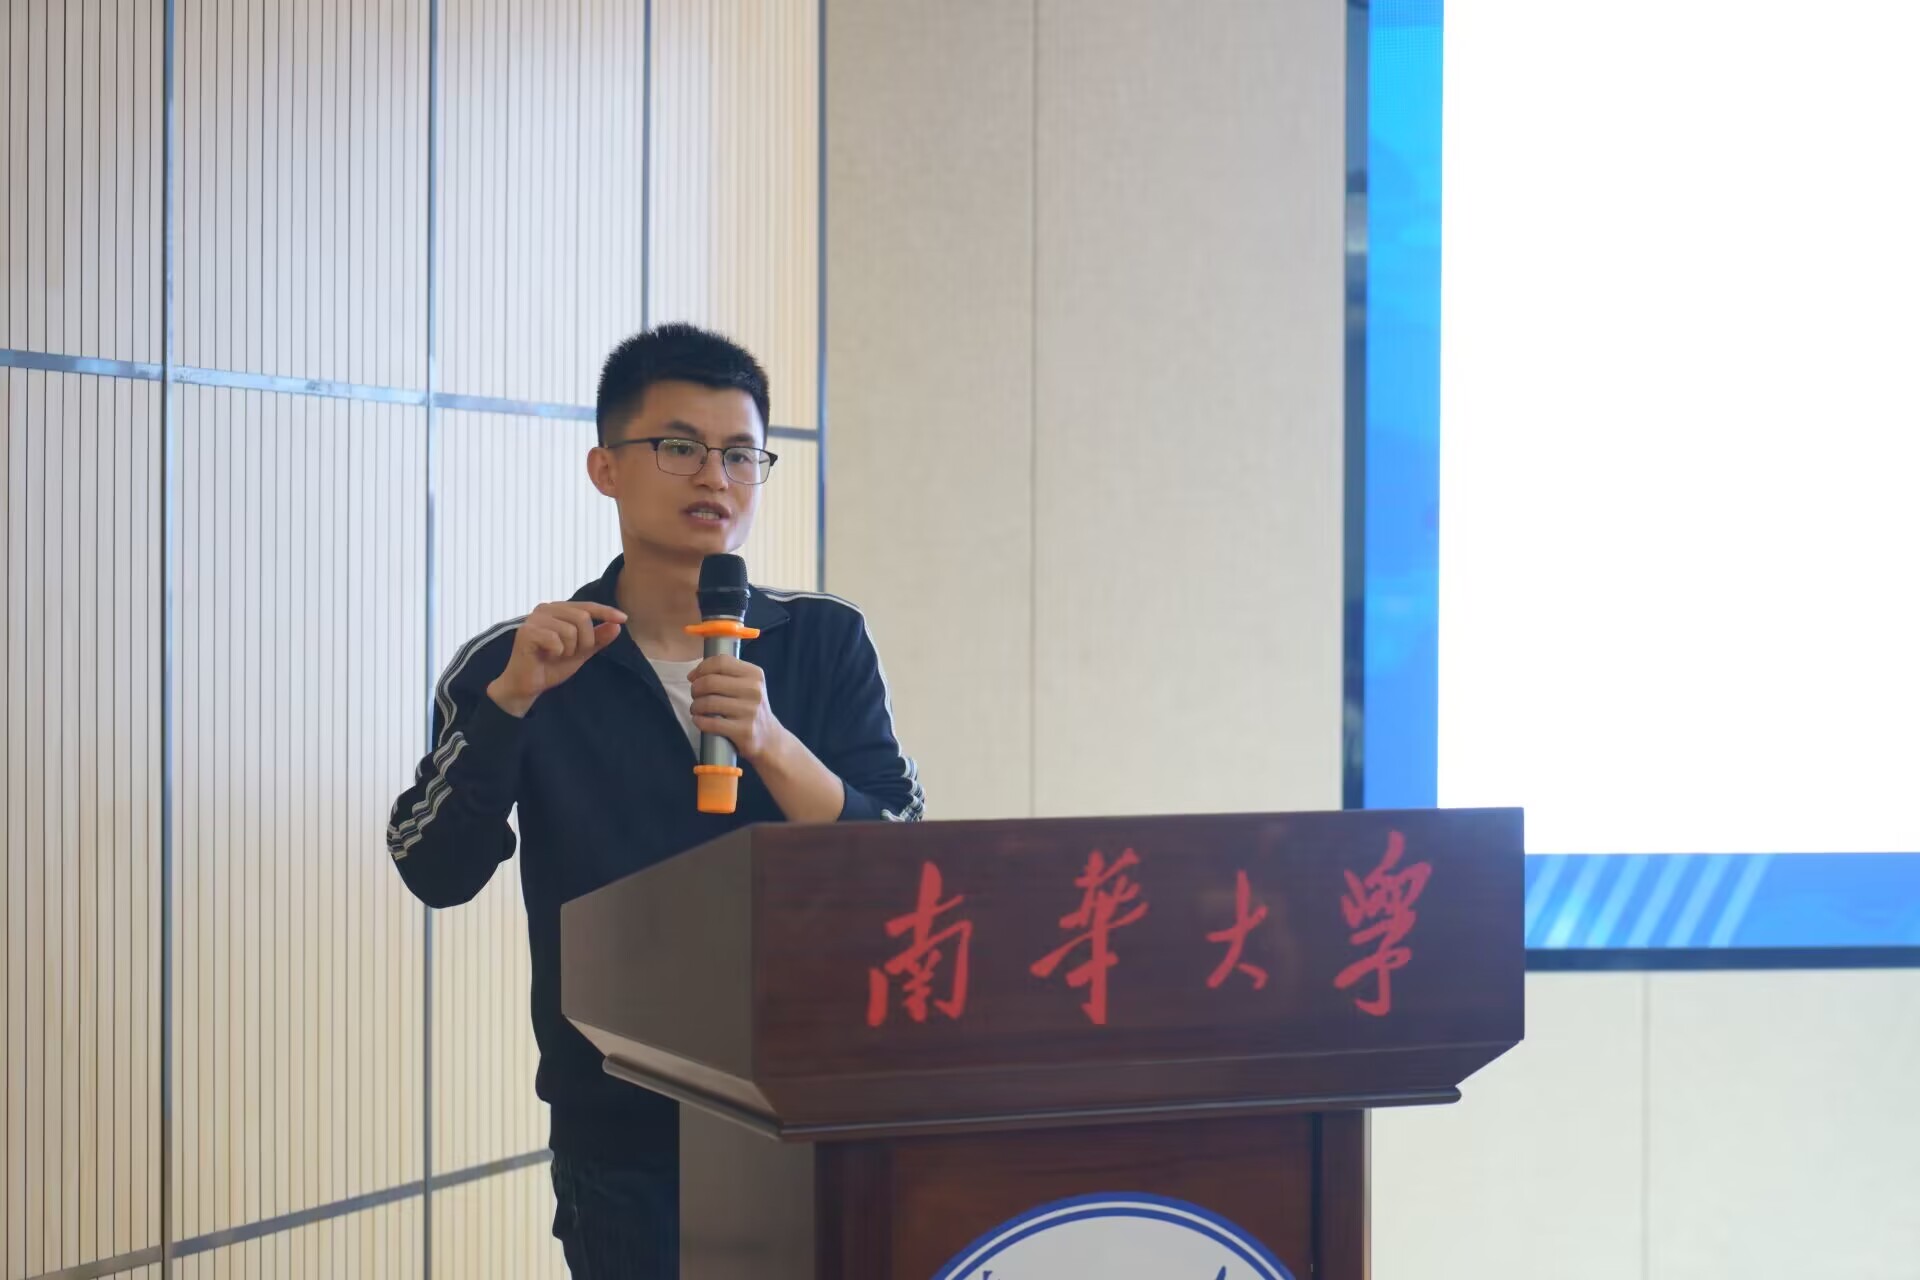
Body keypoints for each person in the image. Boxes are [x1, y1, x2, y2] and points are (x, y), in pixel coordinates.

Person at [385, 323, 924, 1278]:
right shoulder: (522, 661)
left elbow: (903, 865)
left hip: (818, 1107)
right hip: (626, 1130)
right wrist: (510, 706)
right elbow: (435, 868)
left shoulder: (823, 640)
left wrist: (771, 742)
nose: (715, 477)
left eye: (742, 454)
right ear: (606, 467)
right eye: (680, 447)